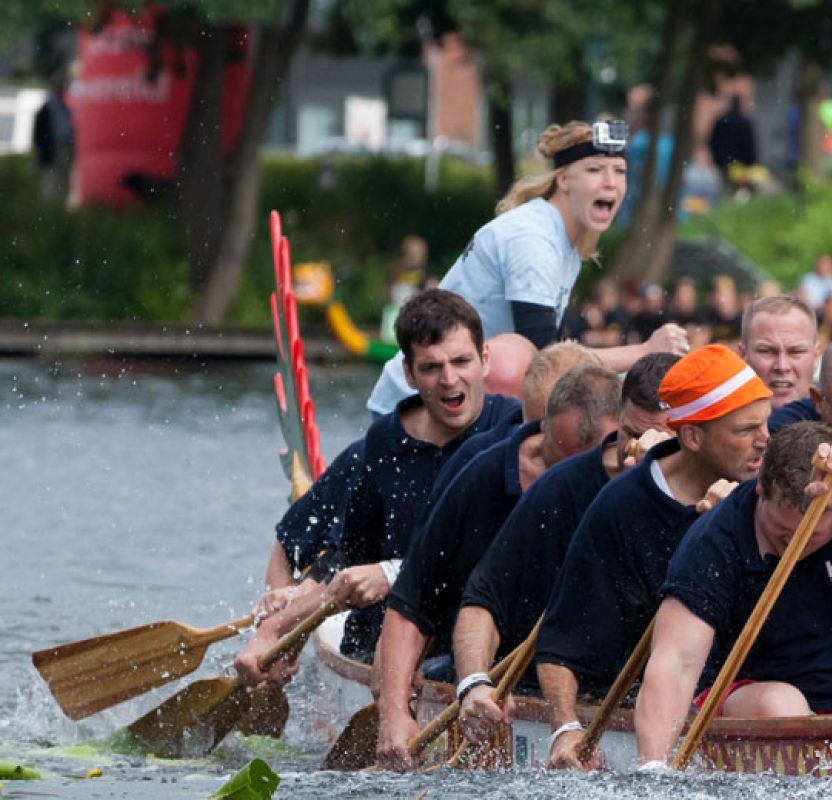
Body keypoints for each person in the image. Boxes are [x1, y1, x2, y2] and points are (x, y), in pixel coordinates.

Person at [237, 289, 524, 684]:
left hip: (476, 650)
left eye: (461, 361)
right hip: (376, 646)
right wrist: (284, 623)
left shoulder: (514, 435)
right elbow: (343, 558)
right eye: (431, 367)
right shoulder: (381, 446)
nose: (449, 379)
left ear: (484, 360)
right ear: (408, 374)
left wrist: (388, 574)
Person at [633, 424, 832, 766]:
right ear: (761, 486)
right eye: (782, 531)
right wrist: (653, 768)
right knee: (782, 705)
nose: (797, 544)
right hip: (759, 693)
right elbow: (676, 662)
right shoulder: (716, 539)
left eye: (813, 534)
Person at [372, 363, 622, 769]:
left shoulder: (635, 488)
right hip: (492, 674)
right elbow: (411, 602)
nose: (565, 484)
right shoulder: (483, 472)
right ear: (543, 429)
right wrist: (395, 714)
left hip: (598, 682)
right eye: (555, 462)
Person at [535, 344, 770, 770]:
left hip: (754, 691)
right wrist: (565, 728)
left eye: (766, 425)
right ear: (694, 437)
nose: (764, 442)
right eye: (745, 430)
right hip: (654, 701)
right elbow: (560, 643)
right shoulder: (620, 507)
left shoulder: (769, 493)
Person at [368, 120, 689, 414]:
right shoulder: (533, 241)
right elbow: (549, 365)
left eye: (619, 171)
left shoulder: (564, 242)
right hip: (413, 404)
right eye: (594, 170)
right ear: (563, 179)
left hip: (461, 400)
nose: (610, 183)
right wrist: (646, 351)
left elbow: (560, 357)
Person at [450, 354, 679, 755]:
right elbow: (483, 599)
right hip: (569, 687)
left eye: (656, 441)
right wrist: (474, 683)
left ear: (694, 436)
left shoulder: (723, 495)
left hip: (671, 693)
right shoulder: (561, 487)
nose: (634, 455)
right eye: (629, 434)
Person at [738, 294, 820, 409]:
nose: (782, 366)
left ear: (816, 356)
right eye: (767, 351)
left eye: (796, 352)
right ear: (742, 356)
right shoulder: (718, 423)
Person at [32, 71, 73, 202]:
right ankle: (49, 210)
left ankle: (60, 207)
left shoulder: (64, 106)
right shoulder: (46, 108)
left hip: (64, 145)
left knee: (64, 179)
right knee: (51, 180)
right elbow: (38, 134)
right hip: (52, 147)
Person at [709, 95, 758, 190]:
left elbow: (713, 141)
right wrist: (750, 162)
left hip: (724, 162)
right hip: (741, 163)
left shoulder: (721, 121)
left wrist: (717, 159)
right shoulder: (744, 122)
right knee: (739, 189)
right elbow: (749, 144)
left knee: (725, 188)